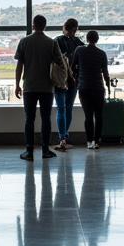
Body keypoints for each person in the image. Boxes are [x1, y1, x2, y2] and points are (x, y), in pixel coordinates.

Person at [14, 14, 66, 161]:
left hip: (29, 87)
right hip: (46, 87)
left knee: (29, 119)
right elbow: (61, 63)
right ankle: (45, 150)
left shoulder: (24, 41)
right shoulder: (51, 43)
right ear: (45, 26)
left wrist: (17, 84)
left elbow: (19, 66)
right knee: (46, 119)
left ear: (32, 25)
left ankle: (29, 151)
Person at [71, 29, 111, 149]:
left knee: (88, 116)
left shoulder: (79, 50)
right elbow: (106, 74)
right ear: (97, 40)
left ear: (87, 39)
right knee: (99, 116)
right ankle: (97, 141)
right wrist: (108, 88)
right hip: (98, 88)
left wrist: (76, 79)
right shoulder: (102, 53)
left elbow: (72, 67)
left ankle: (89, 142)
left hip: (84, 88)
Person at [53, 18, 82, 150]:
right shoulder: (78, 43)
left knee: (61, 108)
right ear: (75, 29)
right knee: (68, 108)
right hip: (73, 80)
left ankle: (62, 138)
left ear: (64, 27)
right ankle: (65, 135)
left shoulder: (57, 41)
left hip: (60, 80)